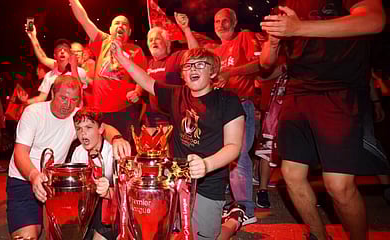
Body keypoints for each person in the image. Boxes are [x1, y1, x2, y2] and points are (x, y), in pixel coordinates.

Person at [260, 0, 386, 239]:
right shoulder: (287, 3)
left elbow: (374, 21)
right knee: (291, 175)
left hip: (338, 90)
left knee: (339, 186)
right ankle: (318, 235)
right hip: (297, 91)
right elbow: (266, 63)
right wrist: (274, 43)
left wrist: (298, 28)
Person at [111, 44, 245, 239]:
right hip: (177, 181)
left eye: (200, 65)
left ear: (213, 71)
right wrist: (121, 57)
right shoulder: (176, 94)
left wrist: (207, 165)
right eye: (188, 66)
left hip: (209, 184)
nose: (193, 69)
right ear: (182, 74)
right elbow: (146, 81)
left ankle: (233, 220)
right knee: (168, 231)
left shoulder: (228, 101)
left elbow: (234, 146)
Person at [6, 75, 130, 239]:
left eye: (74, 100)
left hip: (57, 183)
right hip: (24, 178)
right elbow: (19, 153)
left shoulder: (77, 117)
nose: (68, 104)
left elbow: (104, 128)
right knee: (27, 237)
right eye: (63, 98)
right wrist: (34, 176)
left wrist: (117, 139)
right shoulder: (33, 112)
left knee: (64, 232)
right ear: (52, 93)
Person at [207, 8, 261, 225]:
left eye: (225, 20)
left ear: (235, 21)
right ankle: (232, 205)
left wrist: (231, 73)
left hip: (241, 106)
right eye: (216, 21)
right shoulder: (216, 50)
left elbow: (261, 64)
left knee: (238, 157)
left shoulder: (245, 38)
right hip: (220, 110)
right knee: (225, 156)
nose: (221, 25)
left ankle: (247, 209)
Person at [68, 0, 148, 143]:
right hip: (100, 112)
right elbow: (84, 19)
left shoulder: (135, 50)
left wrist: (138, 91)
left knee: (126, 151)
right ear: (110, 29)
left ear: (129, 32)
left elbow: (143, 77)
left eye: (125, 24)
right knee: (100, 150)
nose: (120, 26)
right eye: (117, 23)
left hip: (125, 112)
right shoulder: (103, 42)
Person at [144, 13, 199, 128]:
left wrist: (186, 29)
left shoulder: (176, 57)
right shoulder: (147, 64)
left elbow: (196, 55)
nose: (153, 42)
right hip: (153, 119)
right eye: (150, 40)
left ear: (167, 43)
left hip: (175, 118)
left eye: (157, 39)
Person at [70, 108, 116, 240]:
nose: (83, 134)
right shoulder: (78, 152)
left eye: (88, 127)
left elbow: (126, 193)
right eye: (79, 129)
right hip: (88, 210)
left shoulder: (112, 152)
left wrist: (108, 191)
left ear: (101, 129)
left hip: (111, 212)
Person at [18, 38, 87, 105]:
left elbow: (79, 93)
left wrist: (74, 68)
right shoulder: (49, 76)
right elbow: (41, 98)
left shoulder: (80, 72)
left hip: (74, 114)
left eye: (65, 50)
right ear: (55, 56)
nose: (62, 51)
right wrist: (26, 101)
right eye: (59, 50)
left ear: (70, 55)